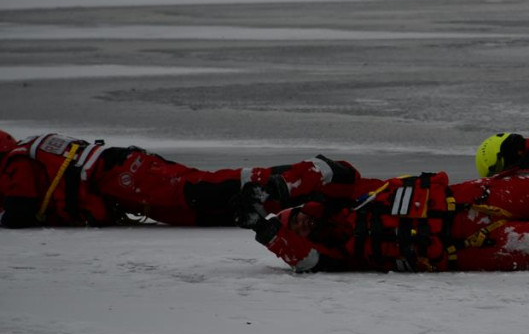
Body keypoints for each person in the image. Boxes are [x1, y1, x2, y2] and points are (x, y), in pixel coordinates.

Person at [239, 164, 529, 273]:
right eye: (294, 230)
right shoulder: (333, 255)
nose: (301, 226)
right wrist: (267, 233)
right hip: (471, 247)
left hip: (470, 199)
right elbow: (306, 261)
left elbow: (332, 171)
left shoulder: (345, 197)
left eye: (296, 219)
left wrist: (285, 185)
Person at [0, 129, 348, 228]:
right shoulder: (28, 149)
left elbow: (20, 211)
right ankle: (305, 198)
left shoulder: (16, 163)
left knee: (201, 191)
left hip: (122, 176)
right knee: (203, 209)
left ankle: (310, 174)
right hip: (121, 177)